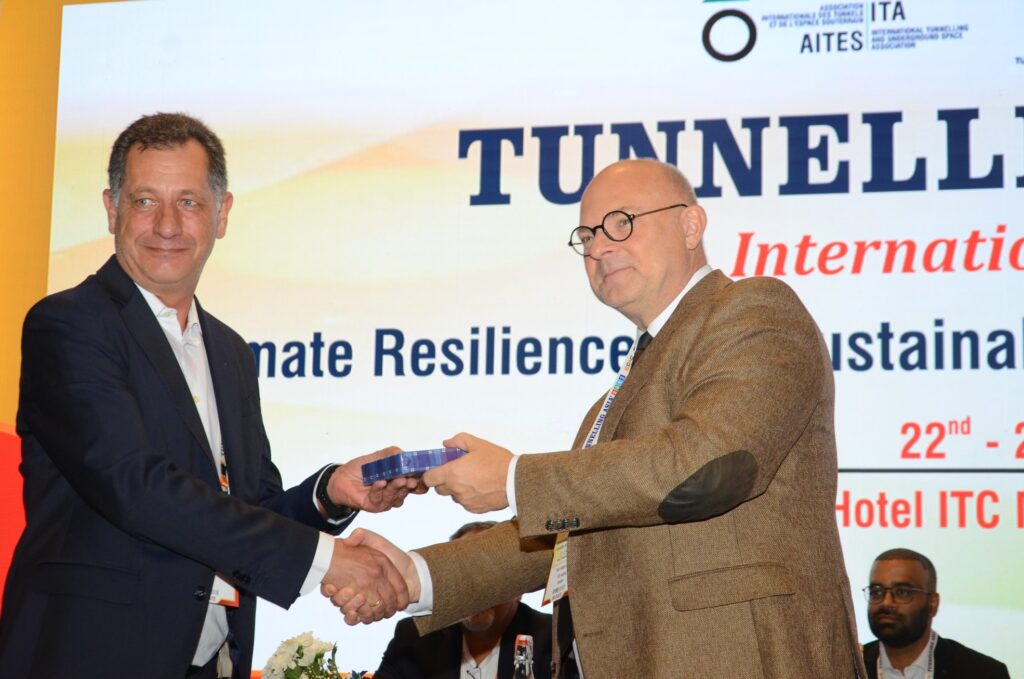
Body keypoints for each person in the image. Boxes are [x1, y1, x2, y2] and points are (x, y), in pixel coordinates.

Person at [345, 158, 867, 678]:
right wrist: (416, 576)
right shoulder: (617, 394)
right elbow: (569, 535)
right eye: (588, 235)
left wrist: (513, 479)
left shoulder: (753, 309)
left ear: (691, 225)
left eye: (622, 222)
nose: (598, 247)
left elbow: (710, 467)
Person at [0, 112, 414, 679]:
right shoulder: (69, 325)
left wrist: (329, 493)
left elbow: (246, 508)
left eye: (189, 202)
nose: (167, 225)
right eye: (145, 201)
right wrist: (327, 562)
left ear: (221, 215)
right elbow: (136, 487)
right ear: (111, 209)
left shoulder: (230, 352)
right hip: (91, 657)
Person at [374, 521, 552, 679]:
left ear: (519, 588)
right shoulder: (415, 636)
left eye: (487, 575)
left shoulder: (552, 637)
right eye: (462, 580)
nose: (474, 591)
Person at [862, 548, 1010, 679]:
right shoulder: (852, 666)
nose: (886, 602)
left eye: (902, 592)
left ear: (932, 604)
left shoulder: (983, 672)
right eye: (876, 592)